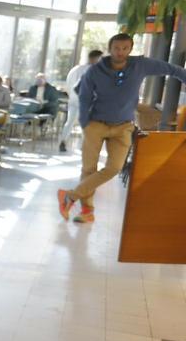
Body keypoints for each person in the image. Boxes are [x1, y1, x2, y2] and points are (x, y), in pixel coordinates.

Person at [58, 33, 186, 224]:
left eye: (125, 48)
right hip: (96, 125)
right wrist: (85, 122)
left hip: (123, 127)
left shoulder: (140, 65)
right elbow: (82, 94)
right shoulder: (95, 71)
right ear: (110, 49)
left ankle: (70, 196)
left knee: (114, 168)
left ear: (130, 49)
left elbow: (171, 69)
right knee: (89, 169)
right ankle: (87, 211)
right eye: (117, 48)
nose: (121, 52)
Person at [60, 50, 104, 152]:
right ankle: (84, 145)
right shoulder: (94, 70)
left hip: (73, 100)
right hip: (85, 101)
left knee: (69, 122)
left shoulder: (75, 69)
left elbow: (68, 85)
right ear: (95, 58)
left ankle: (63, 140)